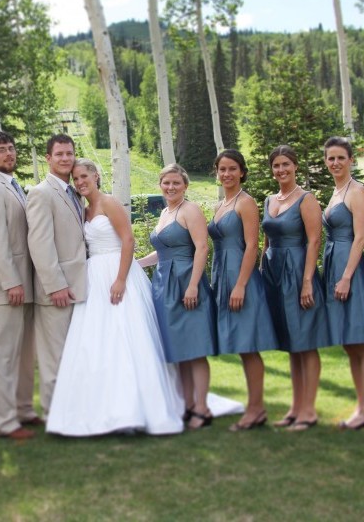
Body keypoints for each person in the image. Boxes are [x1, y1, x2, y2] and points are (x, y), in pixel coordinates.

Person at [47, 160, 184, 436]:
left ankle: (133, 410)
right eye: (75, 178)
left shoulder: (109, 203)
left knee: (126, 335)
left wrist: (121, 279)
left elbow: (128, 240)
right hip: (93, 277)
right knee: (95, 340)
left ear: (96, 175)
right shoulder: (83, 209)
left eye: (84, 176)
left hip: (118, 273)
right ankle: (98, 408)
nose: (80, 182)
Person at [140, 164, 217, 430]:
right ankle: (187, 405)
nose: (170, 187)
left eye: (176, 183)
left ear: (185, 186)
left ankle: (203, 408)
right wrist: (135, 264)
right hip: (164, 285)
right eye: (166, 183)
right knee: (179, 349)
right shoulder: (164, 212)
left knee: (195, 349)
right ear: (160, 185)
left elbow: (202, 247)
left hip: (186, 281)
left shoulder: (190, 210)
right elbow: (162, 253)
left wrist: (194, 285)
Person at [0, 131, 41, 440]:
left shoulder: (15, 186)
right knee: (3, 356)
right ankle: (4, 421)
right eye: (1, 150)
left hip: (26, 284)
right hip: (7, 288)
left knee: (25, 354)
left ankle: (23, 409)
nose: (9, 154)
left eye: (11, 148)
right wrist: (11, 281)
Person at [261, 145, 331, 431]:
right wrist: (263, 269)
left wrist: (307, 282)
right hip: (274, 273)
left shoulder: (306, 199)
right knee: (291, 344)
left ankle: (309, 411)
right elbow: (266, 239)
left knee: (305, 342)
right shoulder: (268, 200)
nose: (281, 170)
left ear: (295, 166)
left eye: (286, 164)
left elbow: (314, 241)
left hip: (299, 271)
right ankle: (296, 407)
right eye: (276, 165)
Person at [209, 150, 278, 431]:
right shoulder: (221, 204)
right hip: (222, 275)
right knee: (241, 346)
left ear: (242, 172)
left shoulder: (246, 202)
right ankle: (255, 408)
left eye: (232, 169)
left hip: (240, 277)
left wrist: (240, 284)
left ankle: (256, 409)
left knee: (248, 346)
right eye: (222, 169)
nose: (227, 174)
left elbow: (252, 246)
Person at [26, 134, 87, 416]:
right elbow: (40, 243)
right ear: (48, 158)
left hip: (80, 286)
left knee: (75, 354)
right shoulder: (41, 193)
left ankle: (75, 411)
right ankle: (54, 415)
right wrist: (55, 285)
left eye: (69, 153)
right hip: (57, 291)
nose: (65, 158)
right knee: (55, 357)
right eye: (59, 154)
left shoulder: (75, 193)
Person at [323, 137, 364, 430]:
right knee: (349, 344)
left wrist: (346, 277)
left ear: (351, 160)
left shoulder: (356, 191)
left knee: (362, 342)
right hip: (334, 266)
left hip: (351, 270)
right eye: (330, 158)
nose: (335, 163)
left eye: (340, 158)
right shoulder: (336, 192)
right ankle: (362, 406)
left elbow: (360, 238)